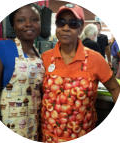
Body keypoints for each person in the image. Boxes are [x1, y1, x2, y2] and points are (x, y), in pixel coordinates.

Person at [41, 3, 120, 142]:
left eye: (73, 23)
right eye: (61, 22)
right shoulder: (45, 58)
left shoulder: (95, 59)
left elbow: (114, 88)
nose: (66, 28)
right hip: (48, 136)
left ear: (81, 28)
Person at [0, 4, 45, 141]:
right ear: (13, 25)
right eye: (21, 20)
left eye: (34, 19)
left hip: (34, 127)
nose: (29, 24)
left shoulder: (39, 54)